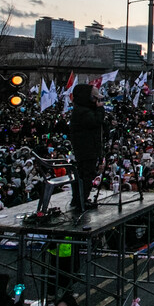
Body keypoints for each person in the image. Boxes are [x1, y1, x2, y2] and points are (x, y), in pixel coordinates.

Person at [69, 84, 105, 212]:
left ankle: (80, 199)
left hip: (87, 147)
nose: (97, 101)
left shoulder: (82, 110)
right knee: (86, 175)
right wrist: (100, 110)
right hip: (86, 148)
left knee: (84, 175)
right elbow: (95, 122)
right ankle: (81, 201)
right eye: (95, 98)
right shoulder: (82, 112)